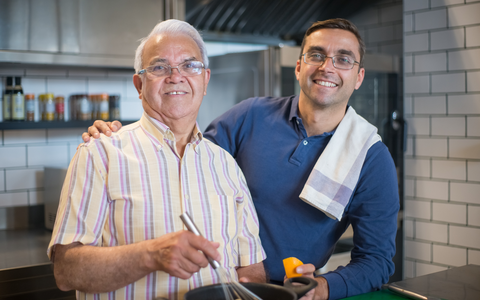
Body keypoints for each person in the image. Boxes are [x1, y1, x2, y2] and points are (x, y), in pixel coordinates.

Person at [83, 18, 399, 300]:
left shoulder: (369, 156)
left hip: (291, 291)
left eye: (343, 59)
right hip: (216, 284)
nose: (327, 67)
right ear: (299, 66)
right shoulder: (252, 115)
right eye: (316, 55)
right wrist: (124, 138)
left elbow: (377, 260)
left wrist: (324, 287)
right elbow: (184, 160)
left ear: (358, 77)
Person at [48, 19, 266, 300]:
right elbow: (67, 271)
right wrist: (150, 255)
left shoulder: (226, 166)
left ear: (205, 79)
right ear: (139, 84)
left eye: (190, 65)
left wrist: (250, 288)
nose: (176, 76)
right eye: (160, 67)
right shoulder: (100, 153)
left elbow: (250, 267)